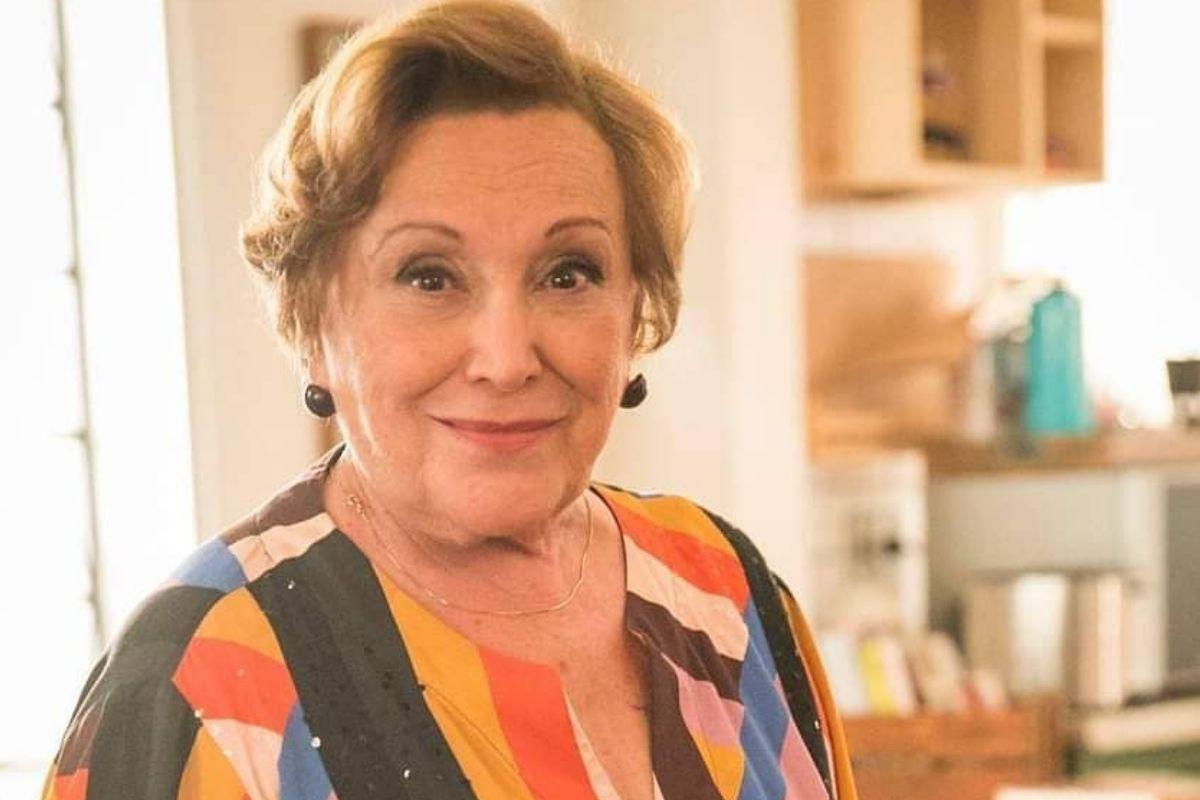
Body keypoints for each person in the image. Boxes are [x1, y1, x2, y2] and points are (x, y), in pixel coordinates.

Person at [43, 2, 857, 798]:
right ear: (312, 317)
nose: (506, 360)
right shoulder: (202, 680)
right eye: (429, 277)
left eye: (567, 274)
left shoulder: (726, 592)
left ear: (637, 304)